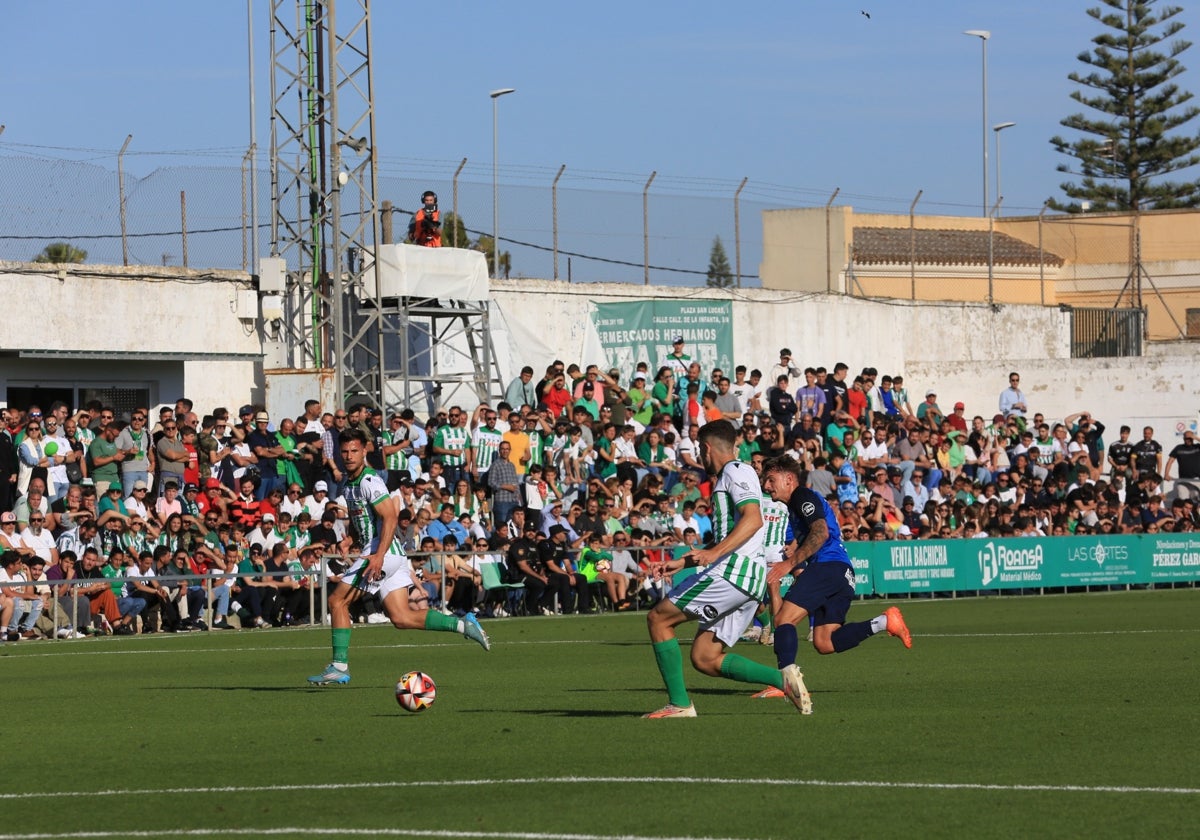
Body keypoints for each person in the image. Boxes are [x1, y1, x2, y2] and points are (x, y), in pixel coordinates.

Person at [307, 428, 490, 686]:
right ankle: (463, 625)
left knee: (337, 601)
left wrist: (378, 556)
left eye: (354, 451)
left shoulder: (370, 481)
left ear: (364, 451)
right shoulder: (349, 484)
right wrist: (349, 540)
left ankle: (339, 665)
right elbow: (363, 521)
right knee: (402, 618)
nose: (348, 456)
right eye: (344, 451)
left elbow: (390, 516)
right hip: (388, 555)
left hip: (382, 554)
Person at [643, 419, 784, 719]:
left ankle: (679, 705)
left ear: (706, 449)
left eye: (700, 451)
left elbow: (753, 519)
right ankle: (783, 680)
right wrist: (683, 562)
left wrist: (715, 553)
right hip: (745, 577)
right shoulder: (729, 477)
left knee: (658, 619)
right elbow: (729, 536)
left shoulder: (735, 470)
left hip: (734, 573)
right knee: (704, 658)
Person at [760, 456, 912, 714]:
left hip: (828, 567)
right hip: (843, 574)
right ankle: (885, 622)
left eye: (771, 479)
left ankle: (784, 681)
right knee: (824, 642)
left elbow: (821, 533)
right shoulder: (795, 507)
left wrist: (790, 562)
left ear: (789, 479)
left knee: (783, 619)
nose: (766, 485)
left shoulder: (801, 496)